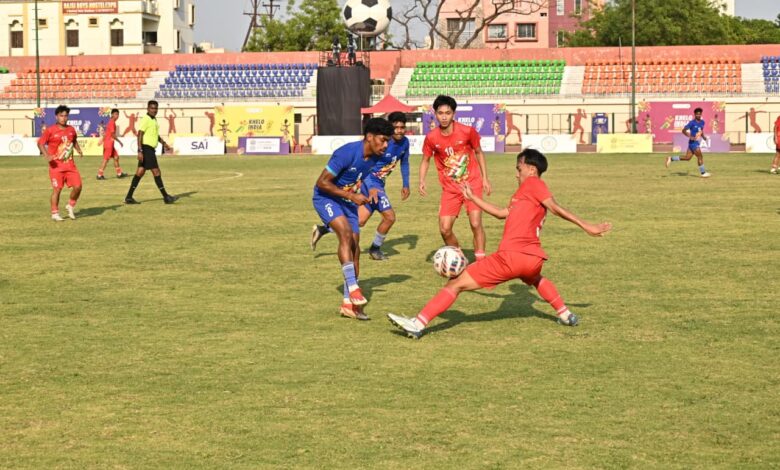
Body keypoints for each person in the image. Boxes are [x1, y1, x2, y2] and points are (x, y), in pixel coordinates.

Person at [388, 148, 612, 339]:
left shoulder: (534, 184)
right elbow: (502, 213)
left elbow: (555, 207)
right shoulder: (524, 192)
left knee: (454, 284)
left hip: (512, 257)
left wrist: (587, 226)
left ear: (531, 169)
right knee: (535, 278)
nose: (517, 173)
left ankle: (418, 324)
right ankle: (565, 314)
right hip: (532, 259)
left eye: (519, 168)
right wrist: (473, 198)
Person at [311, 117, 394, 320]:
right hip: (326, 198)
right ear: (369, 137)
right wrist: (351, 195)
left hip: (347, 201)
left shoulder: (375, 157)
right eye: (382, 140)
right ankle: (354, 287)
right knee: (345, 234)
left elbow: (367, 175)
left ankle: (348, 304)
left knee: (356, 249)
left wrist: (373, 187)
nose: (385, 145)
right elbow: (322, 183)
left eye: (387, 141)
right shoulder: (346, 152)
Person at [311, 112, 410, 260]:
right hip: (371, 184)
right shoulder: (381, 145)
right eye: (396, 127)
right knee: (389, 217)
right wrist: (370, 187)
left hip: (377, 184)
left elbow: (405, 162)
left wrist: (406, 183)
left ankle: (323, 229)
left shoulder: (404, 143)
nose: (399, 131)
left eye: (402, 127)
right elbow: (365, 166)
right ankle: (375, 249)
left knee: (359, 222)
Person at [419, 95, 491, 261]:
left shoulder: (467, 132)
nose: (444, 116)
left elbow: (479, 152)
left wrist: (485, 179)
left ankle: (481, 262)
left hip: (472, 185)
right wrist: (422, 180)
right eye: (440, 113)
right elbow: (425, 160)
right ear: (435, 114)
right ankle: (459, 259)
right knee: (444, 229)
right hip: (450, 189)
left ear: (453, 114)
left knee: (475, 223)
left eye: (448, 113)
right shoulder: (431, 137)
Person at [124, 100, 178, 204]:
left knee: (140, 172)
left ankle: (129, 197)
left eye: (155, 108)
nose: (154, 110)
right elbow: (140, 134)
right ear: (148, 109)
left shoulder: (154, 120)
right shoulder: (146, 119)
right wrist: (139, 150)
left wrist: (164, 143)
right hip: (146, 149)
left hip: (149, 149)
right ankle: (166, 197)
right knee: (156, 172)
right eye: (152, 108)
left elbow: (155, 135)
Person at [37, 105, 84, 221]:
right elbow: (40, 143)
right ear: (56, 116)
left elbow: (74, 140)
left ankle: (70, 205)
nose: (64, 118)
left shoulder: (71, 130)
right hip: (56, 166)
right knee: (57, 190)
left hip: (70, 165)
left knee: (78, 187)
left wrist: (78, 149)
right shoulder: (50, 130)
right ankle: (55, 213)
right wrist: (46, 155)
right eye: (61, 116)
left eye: (65, 116)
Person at [665, 107, 711, 178]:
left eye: (700, 114)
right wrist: (690, 136)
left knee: (687, 158)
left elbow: (700, 131)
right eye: (697, 114)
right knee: (700, 156)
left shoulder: (702, 122)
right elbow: (683, 130)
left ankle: (671, 158)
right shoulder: (692, 123)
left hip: (694, 142)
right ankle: (703, 173)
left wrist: (703, 137)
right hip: (693, 143)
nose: (699, 115)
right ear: (695, 114)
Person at [96, 108, 127, 180]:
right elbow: (112, 134)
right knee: (106, 159)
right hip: (109, 144)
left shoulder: (111, 122)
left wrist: (102, 140)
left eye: (118, 114)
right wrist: (119, 141)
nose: (117, 116)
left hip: (110, 144)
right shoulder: (112, 122)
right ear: (112, 114)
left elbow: (107, 133)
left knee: (116, 157)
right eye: (116, 114)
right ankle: (99, 175)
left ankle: (119, 174)